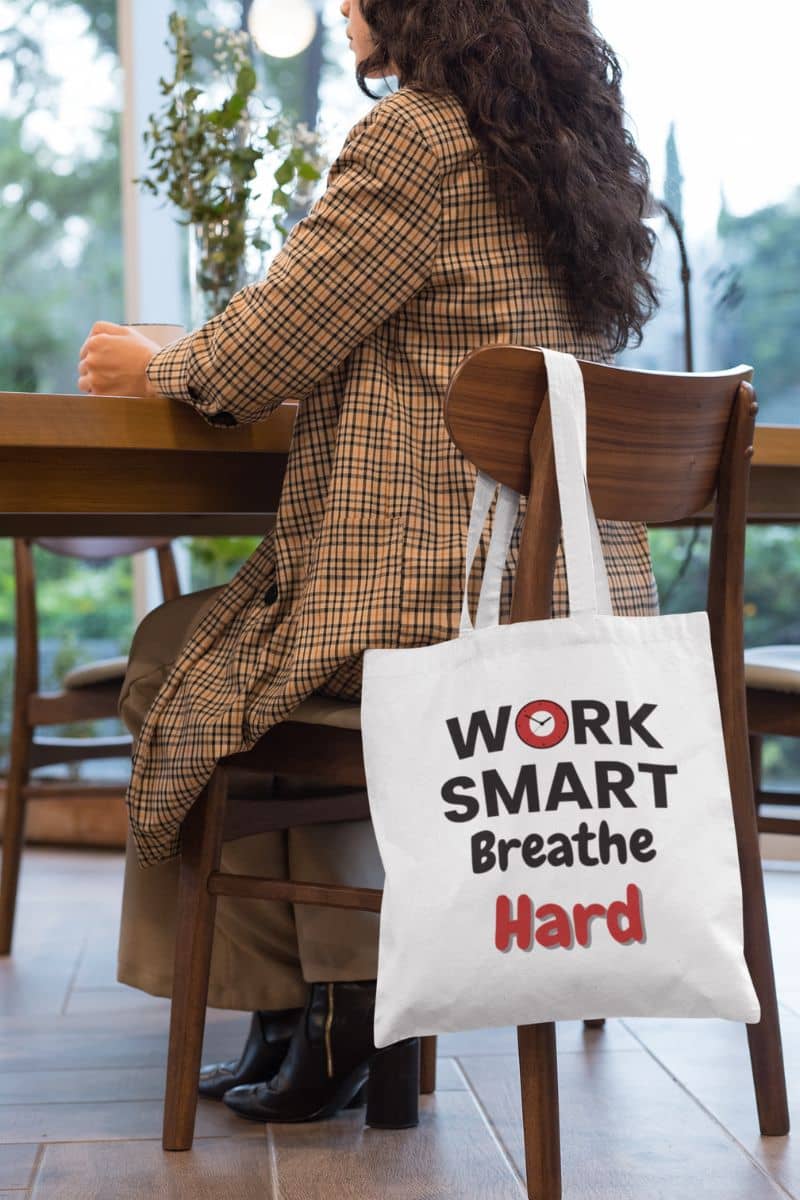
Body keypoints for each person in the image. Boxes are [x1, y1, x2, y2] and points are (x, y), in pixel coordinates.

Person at [78, 0, 659, 1127]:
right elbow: (404, 341)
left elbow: (259, 355)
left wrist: (159, 361)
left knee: (179, 654)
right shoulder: (561, 156)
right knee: (260, 653)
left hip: (429, 594)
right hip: (550, 602)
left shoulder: (415, 136)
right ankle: (326, 1015)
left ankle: (309, 1001)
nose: (341, 5)